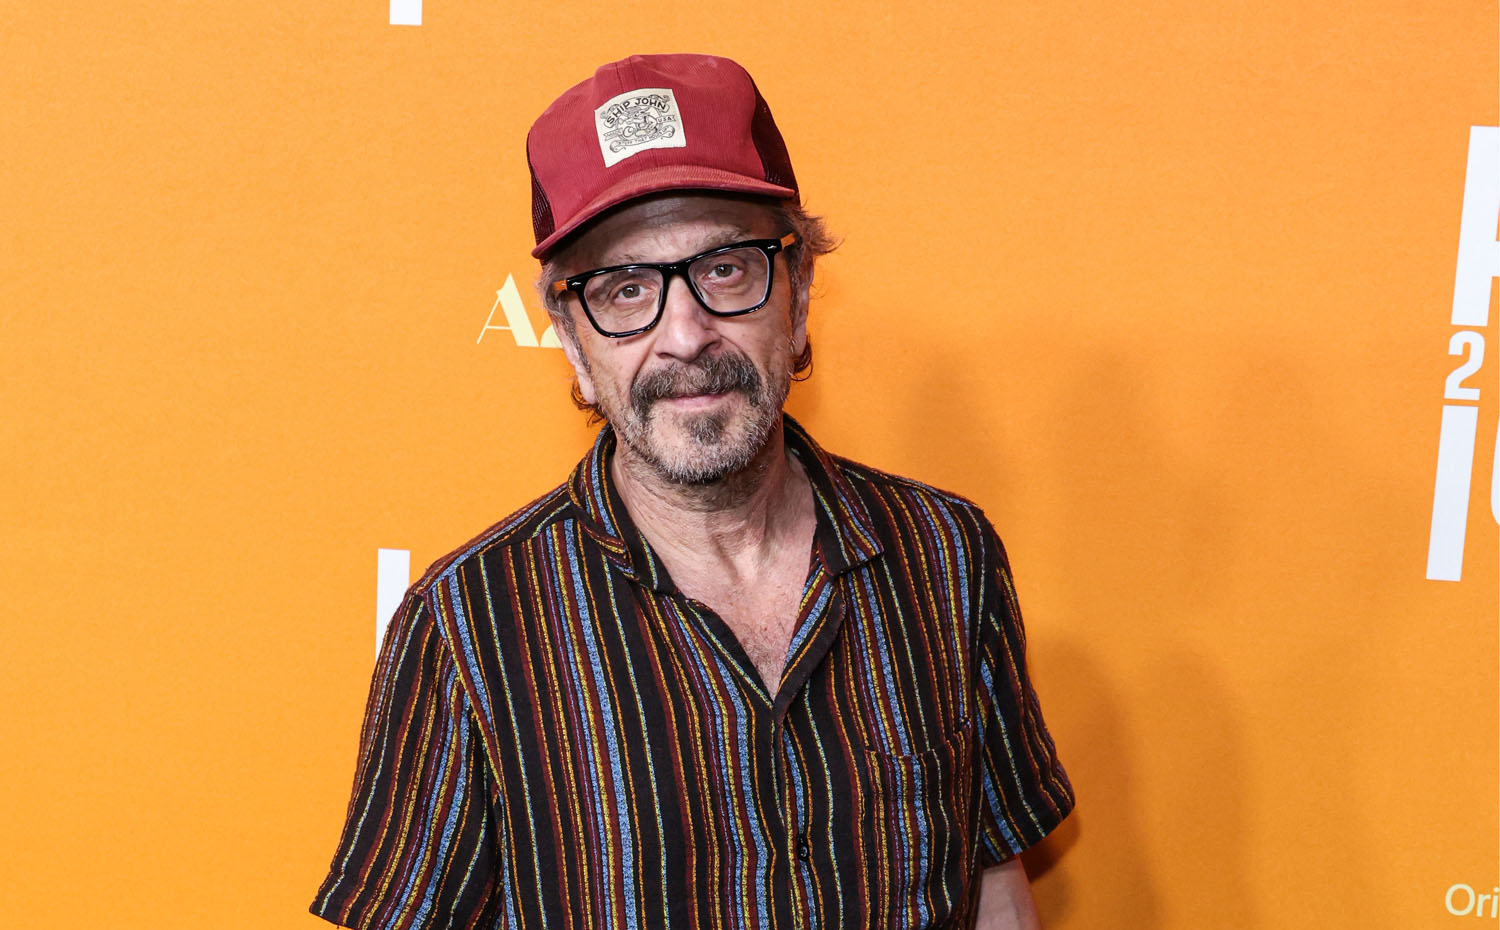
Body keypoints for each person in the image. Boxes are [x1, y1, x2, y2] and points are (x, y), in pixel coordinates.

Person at [311, 53, 1073, 930]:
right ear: (572, 342)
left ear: (798, 294)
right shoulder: (466, 628)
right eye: (625, 288)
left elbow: (994, 879)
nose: (684, 333)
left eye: (724, 269)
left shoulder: (945, 556)